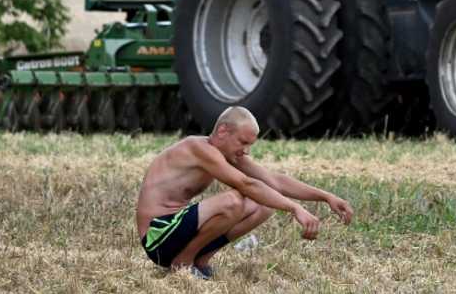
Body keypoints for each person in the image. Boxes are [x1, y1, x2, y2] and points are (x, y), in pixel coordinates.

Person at [134, 105, 353, 278]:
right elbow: (247, 185)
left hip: (177, 229)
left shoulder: (227, 153)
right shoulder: (199, 149)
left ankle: (200, 261)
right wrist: (294, 208)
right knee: (233, 201)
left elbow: (273, 181)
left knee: (265, 204)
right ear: (222, 131)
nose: (246, 151)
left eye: (250, 145)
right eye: (242, 142)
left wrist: (326, 197)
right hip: (158, 237)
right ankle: (182, 263)